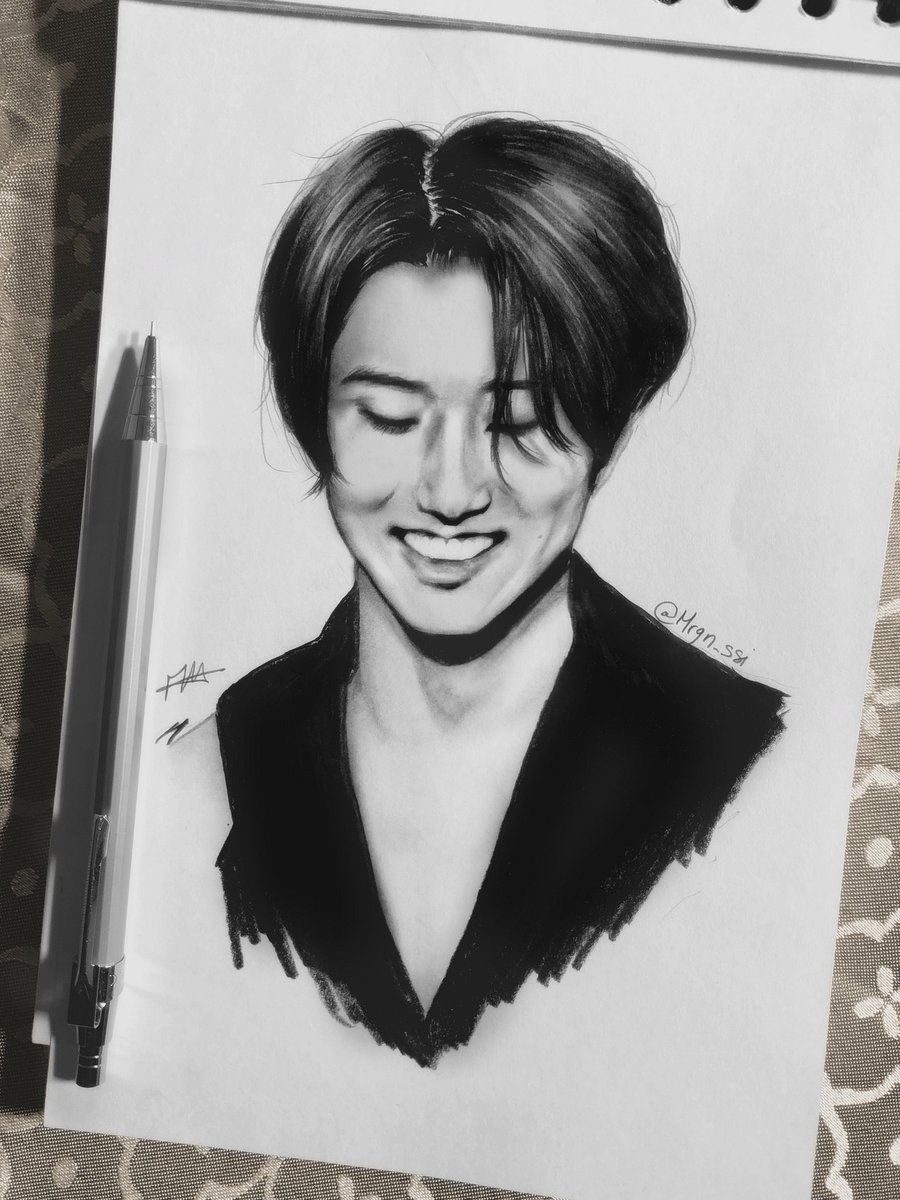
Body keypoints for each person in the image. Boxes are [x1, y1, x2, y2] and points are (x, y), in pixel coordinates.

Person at [215, 115, 785, 1069]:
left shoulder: (734, 760)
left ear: (606, 430)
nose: (451, 491)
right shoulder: (224, 757)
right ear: (315, 418)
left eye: (520, 420)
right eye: (389, 416)